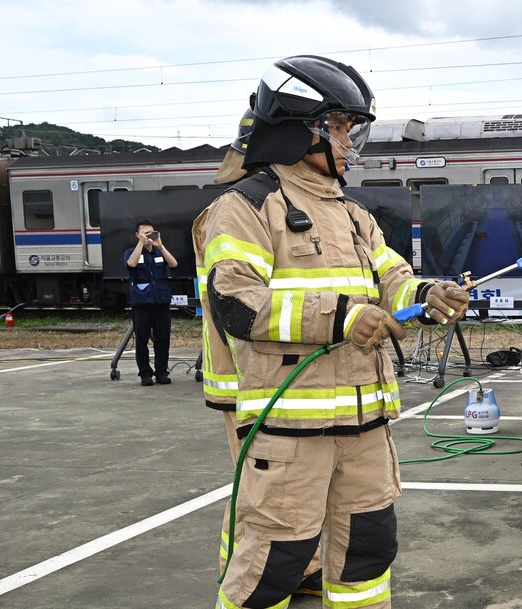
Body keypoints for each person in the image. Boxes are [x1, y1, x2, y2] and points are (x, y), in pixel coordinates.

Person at [200, 56, 468, 609]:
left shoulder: (352, 213)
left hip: (366, 424)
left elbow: (393, 278)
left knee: (368, 551)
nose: (350, 143)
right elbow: (235, 301)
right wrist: (341, 315)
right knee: (274, 565)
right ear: (299, 130)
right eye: (340, 128)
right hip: (291, 428)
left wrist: (427, 296)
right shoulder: (245, 207)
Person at [196, 108, 326, 597]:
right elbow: (244, 303)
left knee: (282, 493)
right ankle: (240, 575)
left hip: (264, 376)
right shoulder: (239, 210)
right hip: (247, 377)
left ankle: (302, 569)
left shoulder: (255, 204)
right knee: (260, 494)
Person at [124, 220, 177, 385]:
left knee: (163, 339)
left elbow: (174, 264)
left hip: (161, 302)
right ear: (137, 235)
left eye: (151, 232)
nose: (148, 235)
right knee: (142, 340)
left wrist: (160, 245)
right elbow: (131, 264)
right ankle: (145, 374)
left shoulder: (159, 252)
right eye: (144, 233)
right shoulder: (131, 252)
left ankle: (161, 372)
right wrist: (141, 243)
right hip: (142, 303)